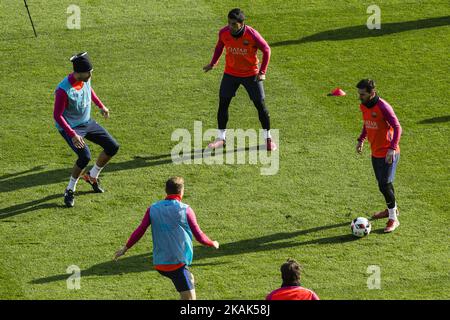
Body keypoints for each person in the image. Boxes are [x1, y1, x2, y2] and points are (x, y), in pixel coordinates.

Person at [114, 177, 219, 300]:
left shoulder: (153, 208)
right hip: (176, 264)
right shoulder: (185, 210)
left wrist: (125, 248)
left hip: (160, 263)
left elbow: (140, 230)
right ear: (182, 191)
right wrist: (213, 243)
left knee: (190, 279)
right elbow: (199, 236)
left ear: (166, 190)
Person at [203, 8, 276, 151]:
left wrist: (262, 72)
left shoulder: (252, 35)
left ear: (242, 24)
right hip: (230, 74)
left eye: (233, 24)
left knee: (260, 106)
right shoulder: (224, 32)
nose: (230, 27)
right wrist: (213, 63)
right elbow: (219, 46)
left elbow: (266, 49)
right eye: (229, 23)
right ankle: (221, 138)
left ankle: (268, 138)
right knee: (223, 103)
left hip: (251, 75)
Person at [53, 52, 119, 208]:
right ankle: (70, 189)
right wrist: (73, 134)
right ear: (79, 72)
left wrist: (101, 106)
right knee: (84, 156)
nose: (90, 75)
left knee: (112, 146)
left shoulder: (85, 79)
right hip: (70, 127)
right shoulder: (63, 90)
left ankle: (92, 176)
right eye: (88, 72)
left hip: (86, 122)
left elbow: (90, 90)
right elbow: (57, 116)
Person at [356, 79, 402, 233]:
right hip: (375, 152)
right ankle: (392, 210)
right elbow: (366, 122)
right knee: (384, 185)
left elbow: (397, 127)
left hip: (389, 153)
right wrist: (361, 139)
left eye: (362, 94)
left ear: (372, 93)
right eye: (359, 94)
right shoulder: (364, 105)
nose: (359, 97)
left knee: (384, 184)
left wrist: (392, 148)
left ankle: (393, 219)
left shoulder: (383, 107)